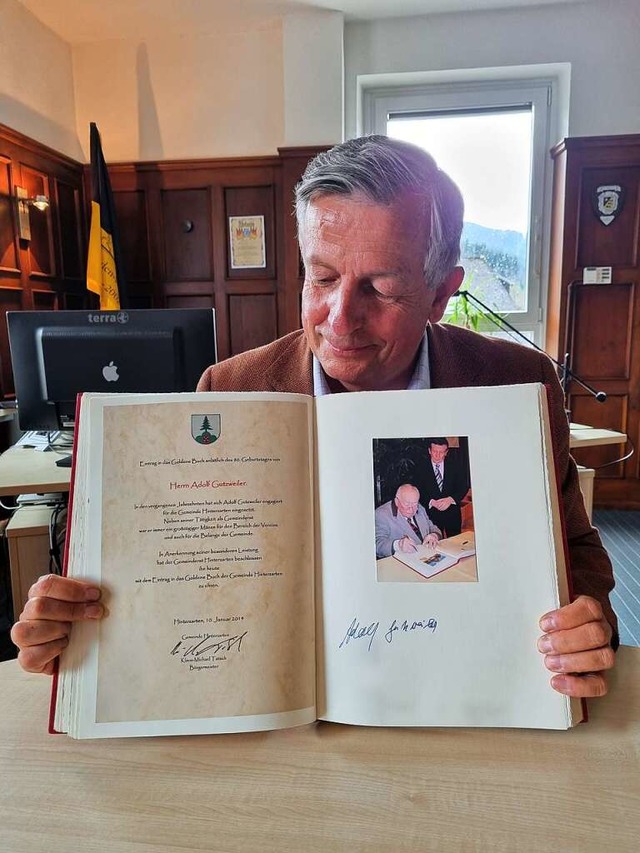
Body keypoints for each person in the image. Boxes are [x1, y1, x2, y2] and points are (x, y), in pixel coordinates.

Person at [12, 135, 617, 699]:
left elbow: (575, 548)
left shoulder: (518, 385)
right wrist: (85, 629)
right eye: (321, 278)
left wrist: (585, 623)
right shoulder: (230, 390)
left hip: (460, 698)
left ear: (441, 292)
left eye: (379, 288)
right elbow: (188, 580)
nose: (339, 318)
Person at [412, 438, 469, 537]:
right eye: (435, 451)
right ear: (429, 450)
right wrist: (431, 502)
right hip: (430, 514)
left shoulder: (455, 465)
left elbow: (463, 486)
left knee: (454, 544)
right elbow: (417, 490)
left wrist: (451, 499)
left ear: (446, 452)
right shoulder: (420, 467)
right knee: (434, 543)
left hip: (452, 513)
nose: (437, 455)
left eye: (441, 452)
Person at [375, 483, 441, 558]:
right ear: (397, 501)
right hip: (401, 563)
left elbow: (432, 527)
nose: (411, 509)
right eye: (406, 504)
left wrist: (434, 535)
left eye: (415, 504)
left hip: (427, 555)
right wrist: (398, 545)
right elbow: (377, 544)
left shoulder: (420, 508)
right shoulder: (381, 514)